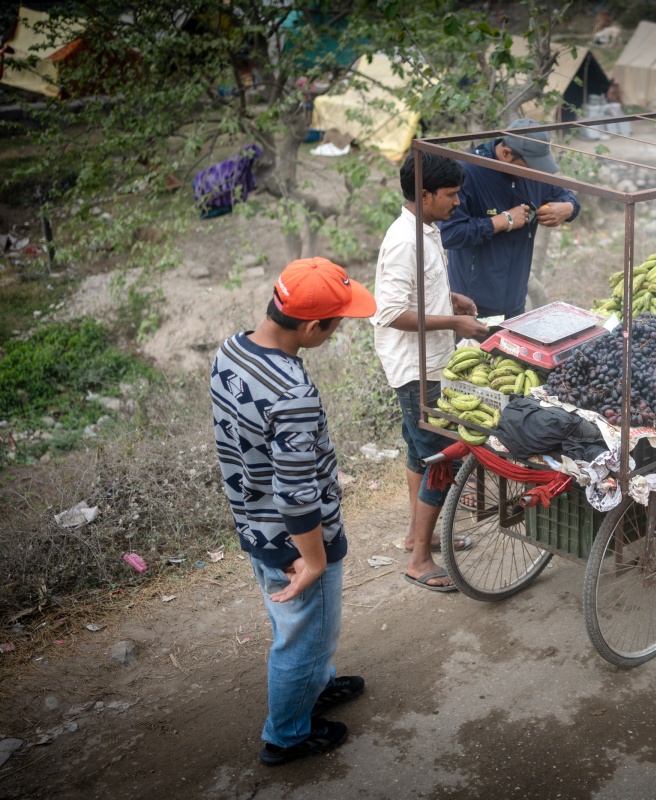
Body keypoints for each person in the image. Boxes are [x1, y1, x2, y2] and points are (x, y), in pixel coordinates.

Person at [210, 257, 376, 765]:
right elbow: (297, 492)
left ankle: (315, 684)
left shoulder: (232, 349)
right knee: (306, 633)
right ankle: (286, 736)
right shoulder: (293, 392)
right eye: (337, 321)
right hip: (300, 539)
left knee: (296, 625)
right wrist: (315, 560)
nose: (340, 327)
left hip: (254, 523)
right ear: (310, 325)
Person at [372, 150, 491, 591]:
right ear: (424, 195)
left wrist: (451, 298)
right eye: (450, 195)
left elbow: (420, 291)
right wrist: (456, 323)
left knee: (417, 450)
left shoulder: (427, 227)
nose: (457, 203)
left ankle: (415, 537)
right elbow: (391, 312)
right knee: (440, 457)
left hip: (426, 358)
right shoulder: (406, 240)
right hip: (416, 368)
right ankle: (420, 560)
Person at [439, 118, 580, 319]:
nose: (535, 173)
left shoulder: (533, 173)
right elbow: (450, 234)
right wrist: (502, 221)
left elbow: (565, 195)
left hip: (515, 303)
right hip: (471, 306)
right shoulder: (467, 173)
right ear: (506, 154)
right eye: (530, 166)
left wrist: (568, 208)